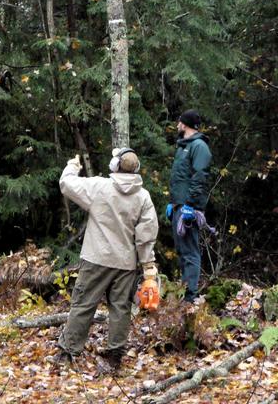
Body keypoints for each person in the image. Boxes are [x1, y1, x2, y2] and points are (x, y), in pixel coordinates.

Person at [54, 147, 159, 371]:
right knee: (120, 309)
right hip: (125, 264)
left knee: (83, 305)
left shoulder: (99, 187)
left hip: (96, 259)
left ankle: (67, 353)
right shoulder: (143, 197)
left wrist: (73, 166)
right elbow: (146, 236)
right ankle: (115, 356)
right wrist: (148, 268)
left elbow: (66, 184)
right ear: (137, 170)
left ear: (114, 166)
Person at [169, 109, 212, 303]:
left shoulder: (199, 146)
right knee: (181, 250)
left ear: (184, 124)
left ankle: (191, 295)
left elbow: (200, 177)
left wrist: (190, 206)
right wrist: (174, 203)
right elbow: (181, 178)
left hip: (189, 208)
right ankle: (184, 290)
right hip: (179, 205)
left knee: (190, 251)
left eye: (179, 121)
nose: (177, 124)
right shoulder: (182, 147)